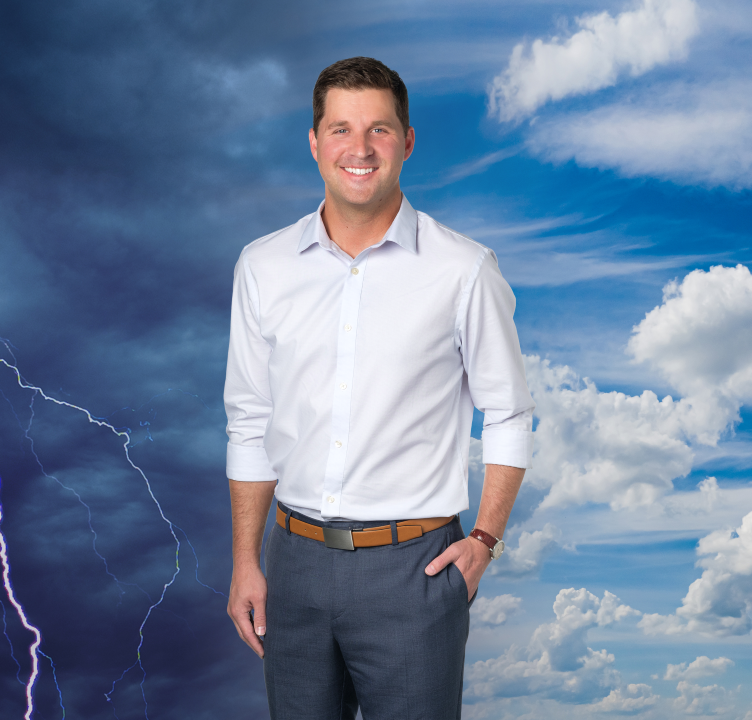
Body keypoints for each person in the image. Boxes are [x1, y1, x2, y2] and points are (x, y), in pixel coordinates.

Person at [224, 56, 534, 719]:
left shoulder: (463, 270)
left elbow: (508, 411)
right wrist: (246, 561)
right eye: (340, 129)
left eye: (379, 130)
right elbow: (250, 419)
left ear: (408, 141)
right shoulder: (262, 266)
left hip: (413, 572)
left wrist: (483, 542)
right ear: (314, 143)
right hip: (295, 566)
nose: (359, 149)